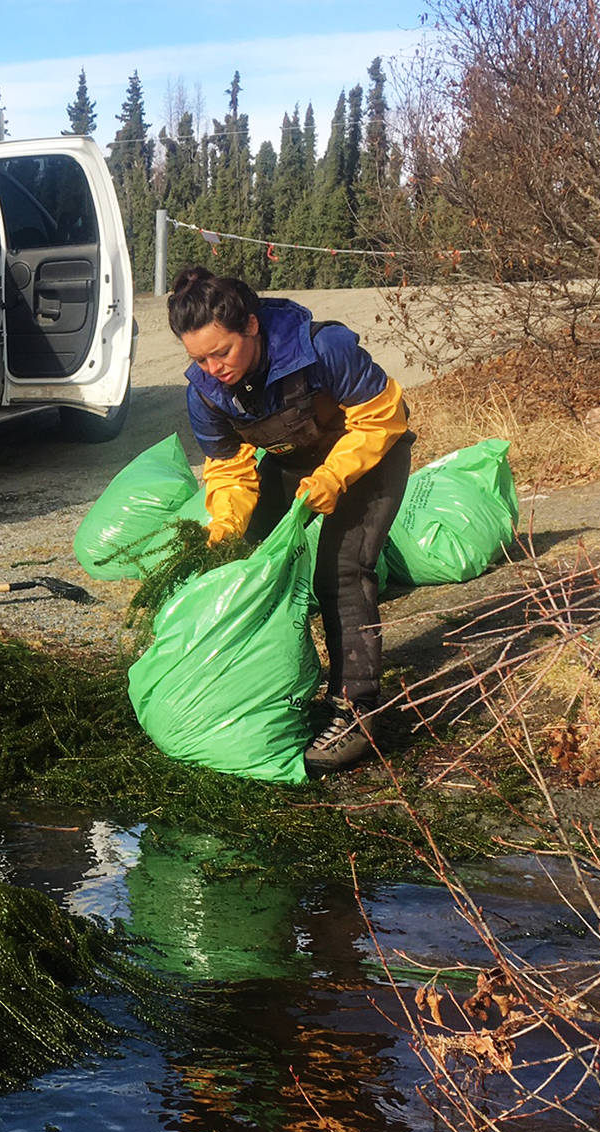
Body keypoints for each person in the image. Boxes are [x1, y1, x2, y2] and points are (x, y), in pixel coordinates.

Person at [167, 267, 412, 773]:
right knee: (248, 561)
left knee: (341, 570)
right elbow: (231, 470)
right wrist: (226, 527)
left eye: (222, 352)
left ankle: (357, 709)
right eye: (199, 358)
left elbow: (383, 417)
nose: (213, 367)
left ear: (251, 327)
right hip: (293, 463)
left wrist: (335, 476)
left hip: (367, 456)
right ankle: (270, 688)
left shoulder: (323, 349)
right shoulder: (205, 394)